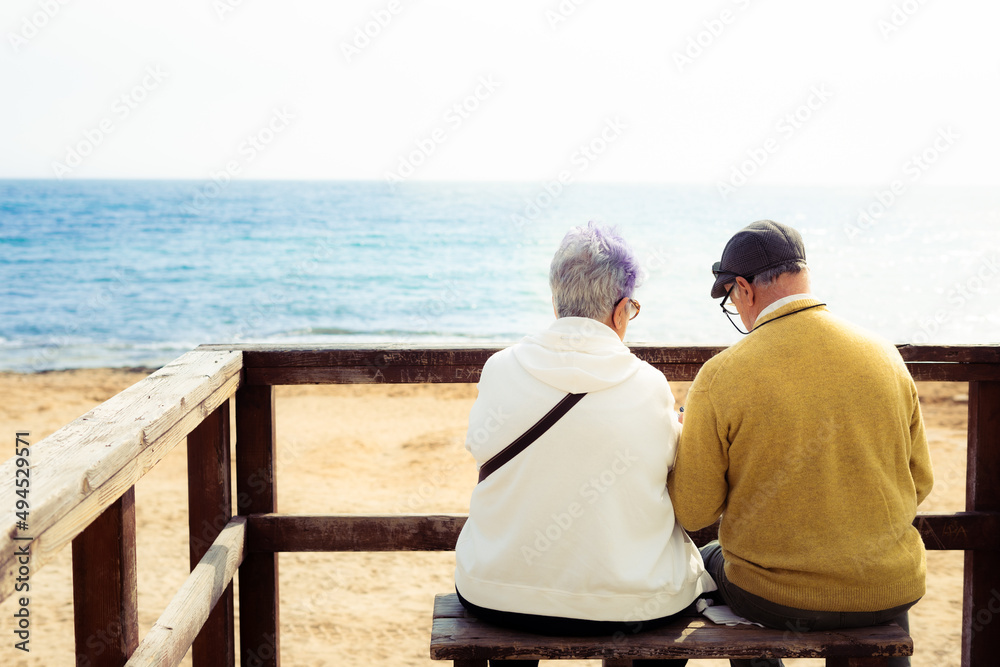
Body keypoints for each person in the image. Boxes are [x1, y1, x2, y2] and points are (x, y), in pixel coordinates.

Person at [668, 220, 934, 667]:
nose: (738, 307)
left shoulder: (722, 374)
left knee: (712, 562)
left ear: (744, 289)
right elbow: (920, 482)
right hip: (888, 589)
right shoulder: (885, 355)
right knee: (862, 599)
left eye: (732, 299)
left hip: (775, 598)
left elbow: (695, 511)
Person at [454, 222, 715, 667]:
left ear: (557, 300)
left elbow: (480, 448)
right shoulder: (649, 385)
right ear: (621, 311)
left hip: (498, 592)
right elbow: (672, 468)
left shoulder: (500, 369)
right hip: (629, 602)